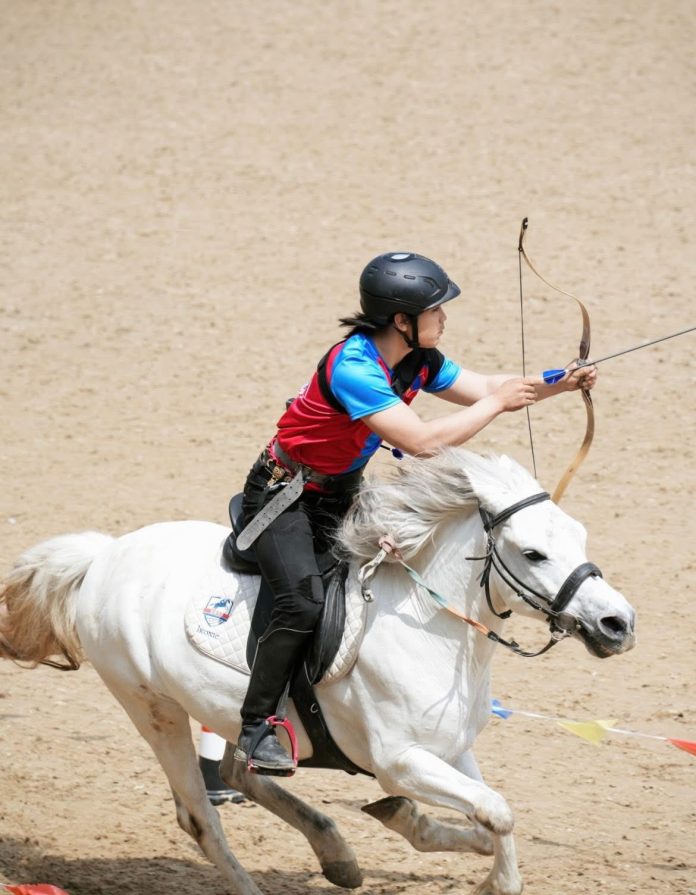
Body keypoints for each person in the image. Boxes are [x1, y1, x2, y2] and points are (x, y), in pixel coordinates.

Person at [233, 251, 597, 775]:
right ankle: (255, 727)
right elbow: (422, 441)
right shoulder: (354, 366)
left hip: (340, 493)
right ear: (401, 321)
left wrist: (561, 383)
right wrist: (497, 405)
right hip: (283, 497)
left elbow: (490, 387)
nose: (445, 317)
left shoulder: (418, 360)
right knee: (303, 602)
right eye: (436, 310)